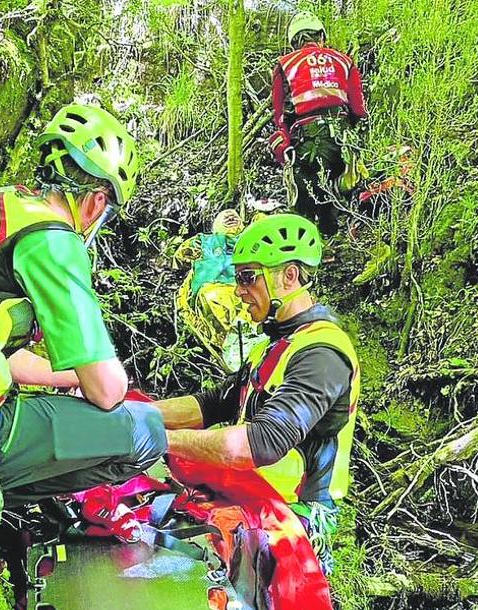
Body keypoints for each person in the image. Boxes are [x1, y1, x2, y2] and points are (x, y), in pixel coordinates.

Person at [0, 103, 166, 538]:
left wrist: (65, 379)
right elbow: (108, 390)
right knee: (146, 430)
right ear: (97, 202)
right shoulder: (53, 240)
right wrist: (90, 378)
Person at [155, 213, 360, 572]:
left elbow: (260, 442)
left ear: (289, 276)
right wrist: (132, 415)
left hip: (295, 515)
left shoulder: (322, 355)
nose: (238, 290)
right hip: (250, 496)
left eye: (249, 278)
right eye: (237, 278)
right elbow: (213, 405)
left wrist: (157, 438)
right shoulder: (273, 346)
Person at [269, 11, 368, 236]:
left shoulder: (285, 64)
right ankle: (332, 238)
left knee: (304, 200)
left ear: (294, 42)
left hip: (306, 139)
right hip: (341, 139)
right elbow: (359, 109)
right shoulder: (344, 61)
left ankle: (308, 251)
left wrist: (283, 147)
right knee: (334, 192)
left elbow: (280, 116)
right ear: (321, 36)